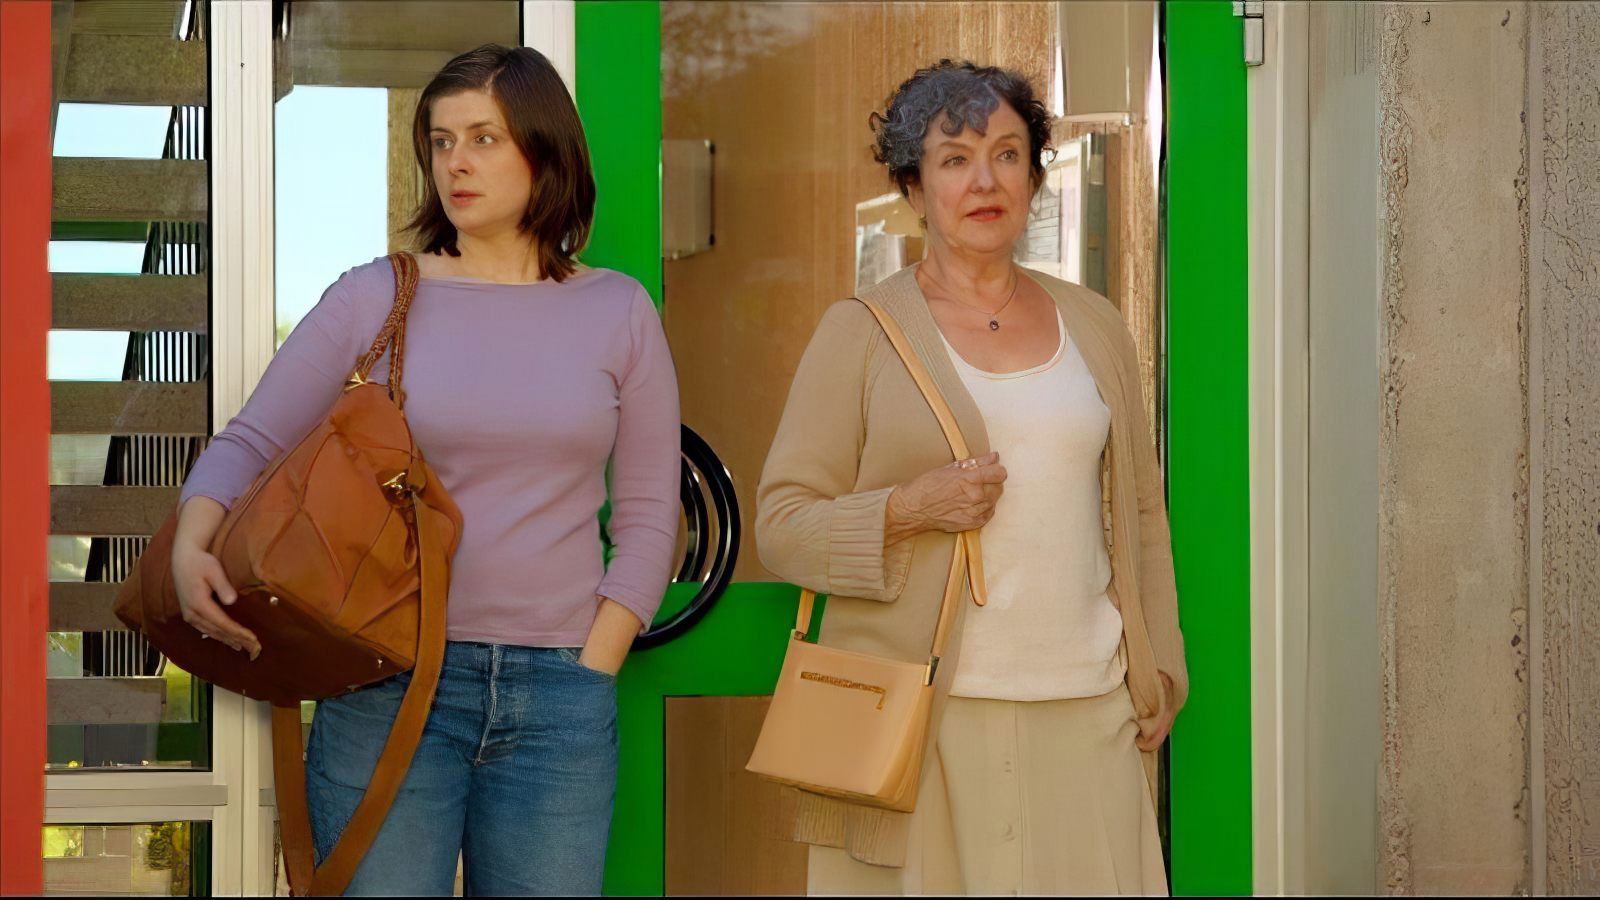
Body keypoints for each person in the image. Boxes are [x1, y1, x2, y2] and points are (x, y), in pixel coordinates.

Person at [169, 45, 680, 896]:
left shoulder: (619, 309)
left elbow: (651, 513)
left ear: (545, 149)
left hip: (559, 693)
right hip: (388, 680)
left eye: (483, 138)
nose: (456, 163)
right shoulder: (375, 296)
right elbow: (252, 441)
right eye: (441, 142)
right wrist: (193, 542)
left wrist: (597, 657)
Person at [755, 59, 1185, 895]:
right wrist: (909, 508)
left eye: (1007, 155)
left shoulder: (1095, 325)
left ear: (1034, 176)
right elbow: (782, 525)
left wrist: (1160, 663)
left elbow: (1139, 511)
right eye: (955, 159)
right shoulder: (860, 333)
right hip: (920, 723)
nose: (985, 181)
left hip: (1087, 708)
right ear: (914, 188)